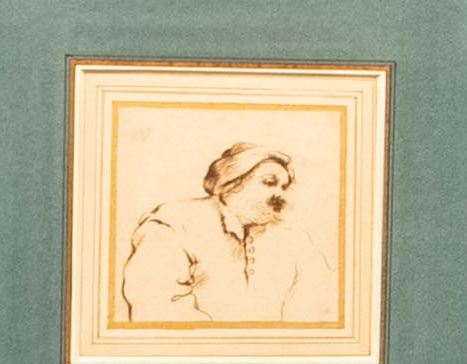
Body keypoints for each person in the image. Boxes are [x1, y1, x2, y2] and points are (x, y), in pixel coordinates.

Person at [116, 138, 334, 331]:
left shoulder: (295, 241)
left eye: (284, 187)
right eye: (269, 182)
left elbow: (320, 305)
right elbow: (156, 307)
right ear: (232, 183)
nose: (280, 194)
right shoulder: (175, 221)